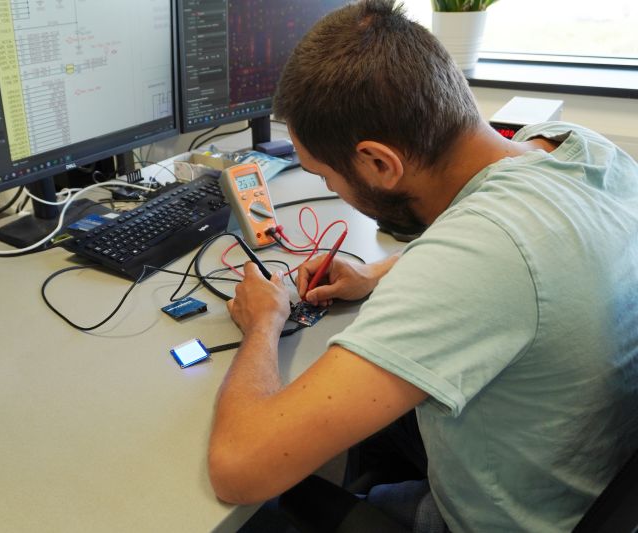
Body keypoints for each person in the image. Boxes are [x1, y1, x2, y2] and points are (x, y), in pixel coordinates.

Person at [206, 0, 638, 531]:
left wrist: (264, 323)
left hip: (503, 519)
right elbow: (511, 249)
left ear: (379, 163)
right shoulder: (580, 151)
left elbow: (239, 467)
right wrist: (376, 273)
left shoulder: (476, 261)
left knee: (262, 514)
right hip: (579, 476)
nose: (330, 190)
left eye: (325, 177)